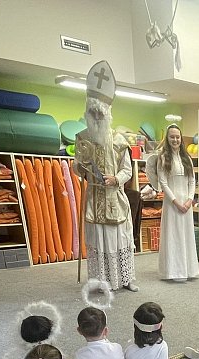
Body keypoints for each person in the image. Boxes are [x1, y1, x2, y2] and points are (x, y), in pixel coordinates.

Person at [74, 60, 138, 291]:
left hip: (114, 199)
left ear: (107, 114)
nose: (97, 117)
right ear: (88, 114)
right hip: (94, 198)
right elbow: (77, 167)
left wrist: (116, 179)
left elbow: (127, 170)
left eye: (100, 113)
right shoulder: (82, 138)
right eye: (93, 113)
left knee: (119, 241)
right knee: (98, 243)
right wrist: (81, 168)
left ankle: (125, 279)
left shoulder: (119, 140)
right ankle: (102, 282)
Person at [148, 124, 198, 281]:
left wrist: (189, 200)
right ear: (167, 139)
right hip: (172, 204)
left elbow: (192, 181)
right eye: (172, 137)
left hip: (186, 204)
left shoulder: (187, 158)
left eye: (177, 137)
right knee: (173, 236)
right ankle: (174, 271)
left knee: (186, 235)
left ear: (181, 138)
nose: (175, 140)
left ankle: (188, 270)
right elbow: (163, 183)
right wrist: (176, 203)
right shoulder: (163, 158)